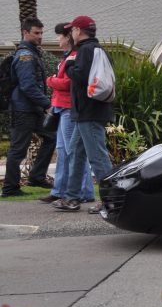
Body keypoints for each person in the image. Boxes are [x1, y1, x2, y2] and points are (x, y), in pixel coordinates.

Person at [52, 16, 113, 214]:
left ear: (78, 30)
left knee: (98, 158)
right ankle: (71, 198)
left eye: (73, 30)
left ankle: (110, 201)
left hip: (89, 112)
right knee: (76, 154)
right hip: (87, 112)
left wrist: (69, 66)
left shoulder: (86, 50)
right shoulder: (98, 49)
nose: (71, 34)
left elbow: (80, 77)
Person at [39, 23, 95, 204]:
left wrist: (50, 80)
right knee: (65, 151)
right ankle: (61, 190)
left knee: (74, 152)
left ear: (67, 37)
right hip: (61, 108)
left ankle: (83, 192)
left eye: (59, 36)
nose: (57, 39)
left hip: (69, 108)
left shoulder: (74, 56)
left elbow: (68, 84)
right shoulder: (67, 57)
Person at [1, 18, 56, 197]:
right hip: (23, 110)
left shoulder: (33, 52)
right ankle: (10, 188)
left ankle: (36, 177)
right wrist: (47, 104)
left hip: (32, 109)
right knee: (18, 149)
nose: (40, 36)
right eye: (36, 33)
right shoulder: (25, 55)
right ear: (25, 32)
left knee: (51, 137)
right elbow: (28, 86)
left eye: (41, 33)